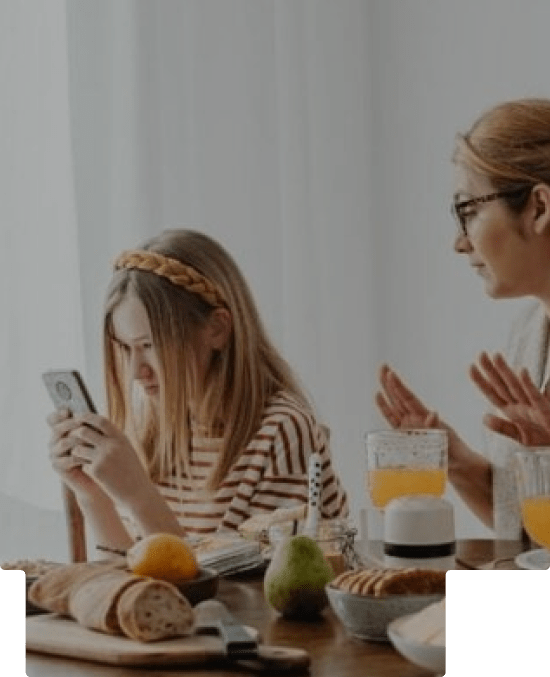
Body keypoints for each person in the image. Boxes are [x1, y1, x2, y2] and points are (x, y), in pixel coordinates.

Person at [47, 229, 348, 551]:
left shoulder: (281, 432)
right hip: (159, 603)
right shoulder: (153, 428)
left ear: (216, 329)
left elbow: (244, 596)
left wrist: (139, 496)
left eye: (150, 345)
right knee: (8, 589)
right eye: (125, 348)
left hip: (237, 602)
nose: (136, 371)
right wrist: (92, 494)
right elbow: (133, 580)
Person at [375, 97, 550, 538]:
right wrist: (454, 459)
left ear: (539, 208)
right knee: (392, 598)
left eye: (468, 211)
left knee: (425, 606)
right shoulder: (528, 335)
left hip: (535, 602)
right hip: (535, 596)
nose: (459, 242)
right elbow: (523, 536)